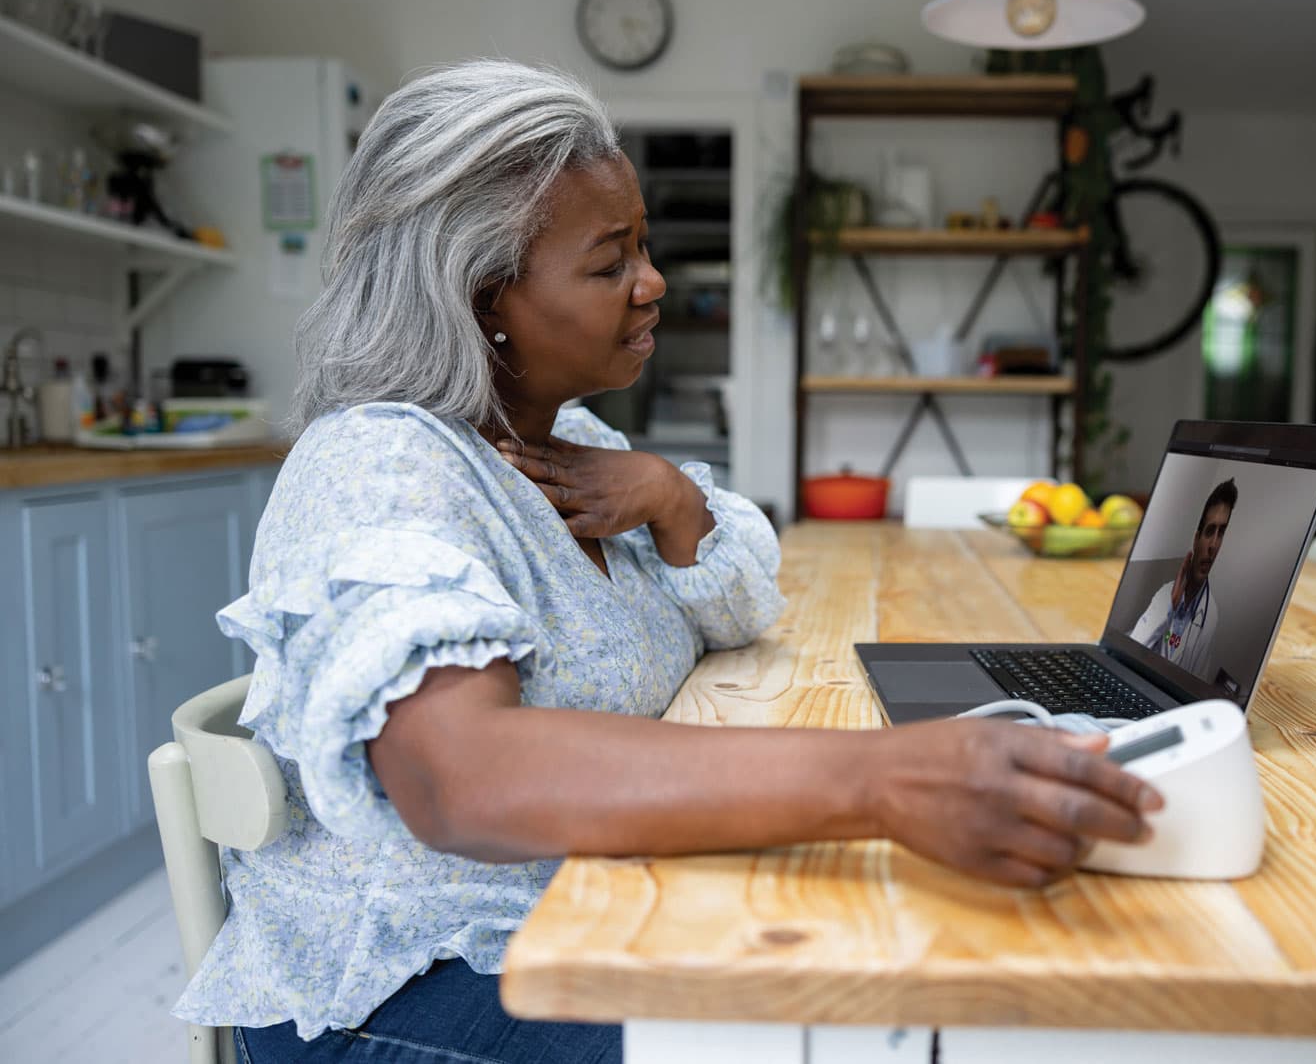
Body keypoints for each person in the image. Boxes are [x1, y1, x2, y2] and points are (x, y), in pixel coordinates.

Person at [175, 60, 1164, 1064]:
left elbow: (738, 605)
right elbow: (459, 780)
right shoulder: (382, 464)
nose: (652, 284)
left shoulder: (563, 440)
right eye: (610, 263)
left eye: (642, 246)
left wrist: (670, 493)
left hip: (579, 911)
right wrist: (883, 778)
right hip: (411, 988)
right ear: (483, 297)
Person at [1130, 478, 1237, 678]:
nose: (1213, 545)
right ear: (1196, 539)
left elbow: (1195, 682)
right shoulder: (1165, 593)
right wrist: (1169, 606)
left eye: (1221, 533)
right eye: (1209, 531)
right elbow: (1131, 652)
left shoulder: (1211, 614)